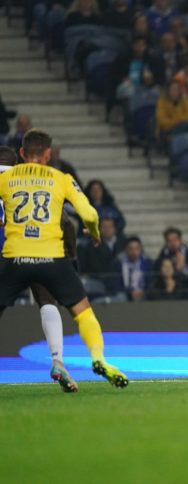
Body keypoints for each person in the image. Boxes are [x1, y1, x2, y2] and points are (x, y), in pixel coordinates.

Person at [0, 130, 129, 389]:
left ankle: (60, 361)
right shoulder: (61, 178)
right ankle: (98, 358)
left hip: (15, 257)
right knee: (83, 313)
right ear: (48, 155)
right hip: (52, 258)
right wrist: (94, 234)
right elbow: (89, 215)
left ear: (22, 153)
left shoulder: (5, 178)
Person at [0, 146, 79, 392]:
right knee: (46, 300)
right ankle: (58, 360)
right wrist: (72, 258)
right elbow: (66, 224)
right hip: (29, 248)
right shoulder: (26, 183)